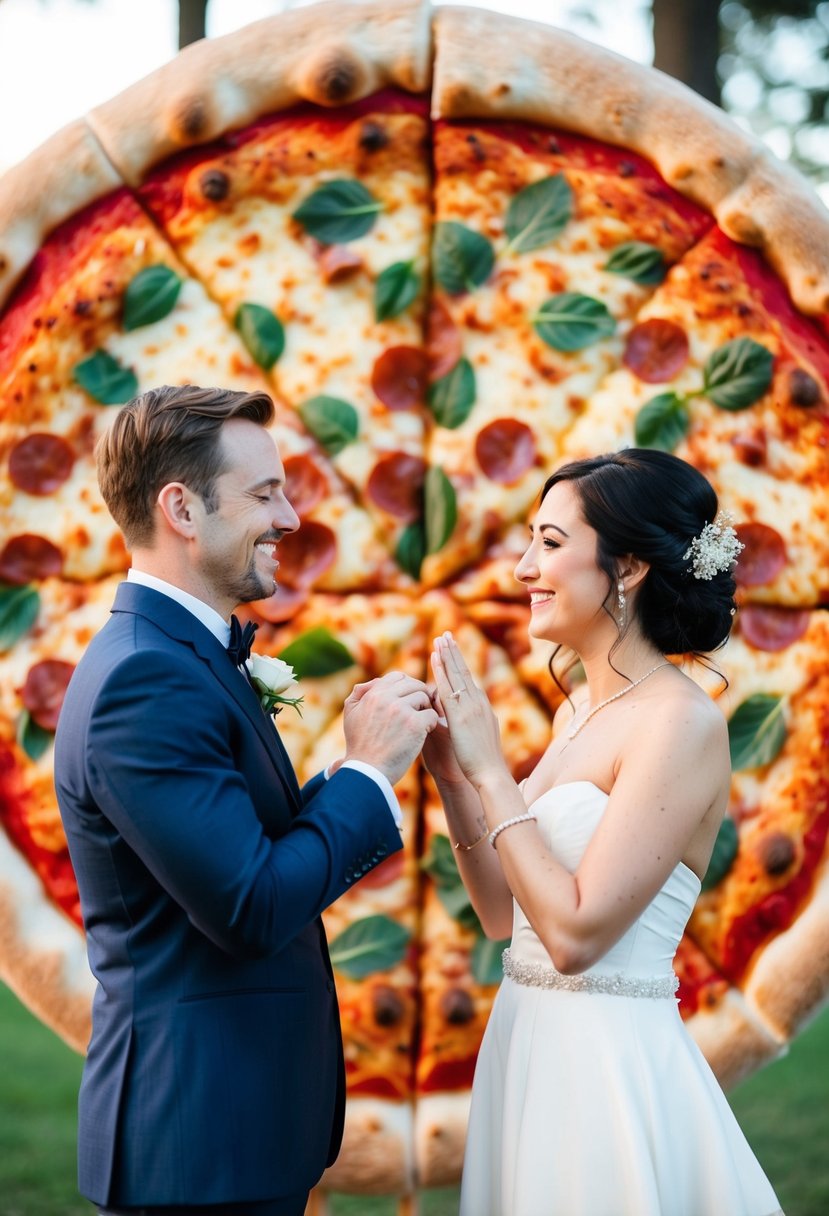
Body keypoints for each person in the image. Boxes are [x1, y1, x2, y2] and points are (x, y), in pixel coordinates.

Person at [54, 383, 439, 1216]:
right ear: (182, 509)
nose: (291, 517)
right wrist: (368, 774)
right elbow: (253, 907)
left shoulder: (180, 656)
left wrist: (345, 775)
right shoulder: (145, 680)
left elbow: (245, 853)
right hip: (195, 1142)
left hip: (229, 1133)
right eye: (265, 493)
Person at [425, 449, 782, 1216]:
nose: (523, 566)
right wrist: (455, 778)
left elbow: (576, 938)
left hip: (604, 1071)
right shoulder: (575, 713)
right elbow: (503, 915)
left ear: (625, 569)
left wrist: (492, 772)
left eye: (549, 543)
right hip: (523, 1046)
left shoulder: (679, 723)